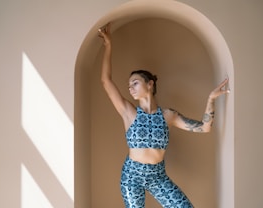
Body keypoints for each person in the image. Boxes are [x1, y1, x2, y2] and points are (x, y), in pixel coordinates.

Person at [98, 23, 229, 208]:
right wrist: (108, 45)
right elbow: (106, 81)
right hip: (132, 176)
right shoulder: (129, 112)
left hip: (157, 176)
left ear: (150, 84)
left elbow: (204, 127)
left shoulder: (168, 116)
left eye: (135, 83)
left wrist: (211, 99)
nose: (130, 88)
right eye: (129, 85)